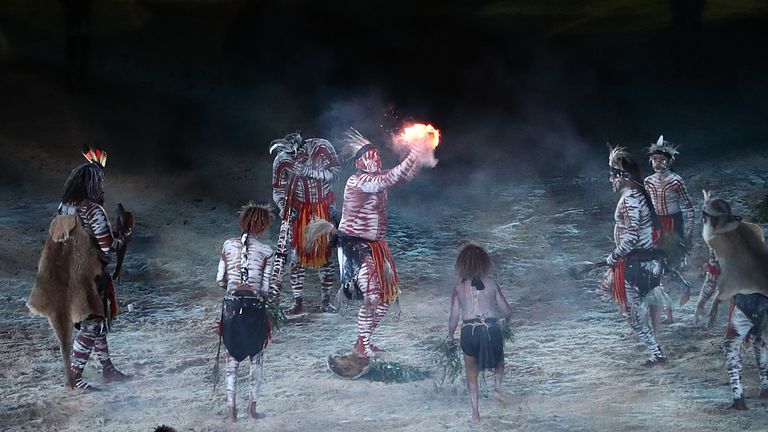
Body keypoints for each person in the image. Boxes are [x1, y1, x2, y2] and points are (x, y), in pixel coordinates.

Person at [27, 148, 132, 391]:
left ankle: (107, 369)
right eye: (99, 184)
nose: (101, 189)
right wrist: (123, 237)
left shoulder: (64, 207)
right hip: (87, 277)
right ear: (92, 185)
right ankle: (74, 377)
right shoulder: (93, 211)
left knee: (97, 319)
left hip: (65, 273)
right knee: (92, 323)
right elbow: (107, 246)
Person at [337, 127, 434, 358]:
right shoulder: (358, 181)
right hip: (355, 246)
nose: (376, 160)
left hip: (377, 247)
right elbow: (391, 178)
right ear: (359, 162)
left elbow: (404, 175)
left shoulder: (377, 177)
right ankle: (363, 344)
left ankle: (363, 341)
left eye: (378, 156)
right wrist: (414, 151)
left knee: (386, 297)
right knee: (372, 295)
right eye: (371, 157)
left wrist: (420, 152)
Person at [701, 191, 768, 410]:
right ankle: (765, 386)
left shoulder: (717, 242)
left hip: (746, 298)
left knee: (731, 344)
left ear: (712, 220)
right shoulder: (753, 229)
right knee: (760, 339)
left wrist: (704, 303)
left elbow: (714, 277)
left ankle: (738, 398)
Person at [606, 145, 668, 366]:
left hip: (636, 265)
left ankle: (656, 353)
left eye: (614, 174)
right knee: (636, 311)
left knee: (632, 315)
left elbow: (632, 237)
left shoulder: (630, 199)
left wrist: (614, 257)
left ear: (624, 176)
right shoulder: (639, 195)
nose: (611, 179)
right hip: (646, 264)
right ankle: (656, 350)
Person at [216, 202, 275, 422]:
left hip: (231, 307)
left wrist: (234, 287)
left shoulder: (227, 246)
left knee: (231, 362)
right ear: (263, 227)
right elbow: (266, 289)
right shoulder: (267, 251)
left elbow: (220, 280)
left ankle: (231, 412)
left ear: (243, 222)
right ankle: (251, 410)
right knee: (256, 359)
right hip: (254, 308)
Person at [270, 132, 341, 314]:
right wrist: (283, 207)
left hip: (323, 208)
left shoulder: (322, 147)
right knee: (297, 256)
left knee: (326, 254)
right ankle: (297, 302)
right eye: (291, 155)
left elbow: (336, 174)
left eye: (298, 153)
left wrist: (310, 172)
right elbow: (278, 189)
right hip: (299, 211)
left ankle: (326, 301)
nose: (295, 158)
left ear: (303, 147)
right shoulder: (281, 160)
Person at [446, 242, 512, 423]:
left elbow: (454, 317)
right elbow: (506, 310)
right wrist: (506, 323)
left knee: (471, 373)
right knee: (499, 361)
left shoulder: (458, 288)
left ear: (461, 265)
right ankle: (497, 388)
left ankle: (475, 413)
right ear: (484, 263)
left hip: (469, 331)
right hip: (490, 328)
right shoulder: (492, 284)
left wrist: (450, 337)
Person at [643, 135, 695, 324]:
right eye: (655, 159)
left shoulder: (676, 181)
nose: (658, 163)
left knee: (666, 268)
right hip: (656, 226)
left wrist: (688, 233)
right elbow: (647, 207)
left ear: (670, 161)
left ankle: (669, 312)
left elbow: (689, 207)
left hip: (672, 226)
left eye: (662, 159)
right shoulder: (648, 181)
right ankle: (673, 303)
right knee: (657, 268)